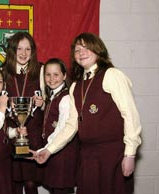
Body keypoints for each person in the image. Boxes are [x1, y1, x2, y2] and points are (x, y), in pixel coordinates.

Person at [33, 32, 142, 194]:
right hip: (87, 156)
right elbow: (71, 125)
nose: (81, 53)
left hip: (112, 154)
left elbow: (130, 115)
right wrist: (49, 150)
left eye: (86, 48)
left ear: (98, 50)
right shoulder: (76, 86)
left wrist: (130, 154)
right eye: (77, 50)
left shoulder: (112, 75)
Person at [0, 31, 44, 194]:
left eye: (28, 49)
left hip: (33, 134)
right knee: (13, 182)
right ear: (12, 50)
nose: (24, 54)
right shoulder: (2, 72)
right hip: (12, 134)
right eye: (19, 49)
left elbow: (54, 102)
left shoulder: (41, 70)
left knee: (31, 183)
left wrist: (43, 103)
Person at [41, 58, 78, 194]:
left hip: (63, 154)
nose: (51, 79)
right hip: (54, 152)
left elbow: (62, 129)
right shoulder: (52, 96)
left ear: (64, 76)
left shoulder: (66, 98)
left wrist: (45, 149)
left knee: (61, 190)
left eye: (56, 74)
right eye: (48, 74)